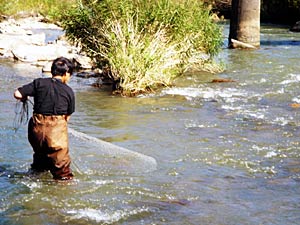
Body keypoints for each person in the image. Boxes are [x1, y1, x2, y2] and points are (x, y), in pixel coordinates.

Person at [14, 57, 75, 180]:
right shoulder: (68, 91)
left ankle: (35, 177)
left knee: (40, 159)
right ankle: (63, 191)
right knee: (61, 169)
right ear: (66, 73)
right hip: (55, 133)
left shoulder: (38, 83)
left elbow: (17, 94)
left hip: (36, 131)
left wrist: (24, 98)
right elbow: (67, 116)